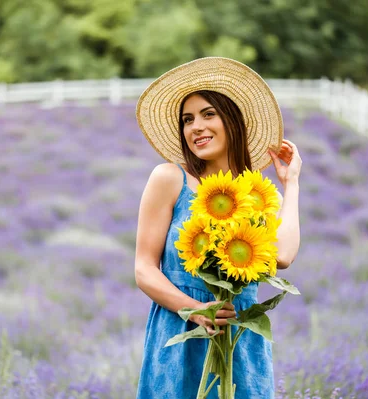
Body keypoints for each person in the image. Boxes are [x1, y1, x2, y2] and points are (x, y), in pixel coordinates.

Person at [133, 57, 302, 398]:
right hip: (180, 328)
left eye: (209, 114)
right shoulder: (169, 179)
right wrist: (197, 310)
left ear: (234, 120)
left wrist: (292, 184)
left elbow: (282, 256)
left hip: (239, 334)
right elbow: (143, 269)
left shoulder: (256, 193)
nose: (196, 126)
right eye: (187, 119)